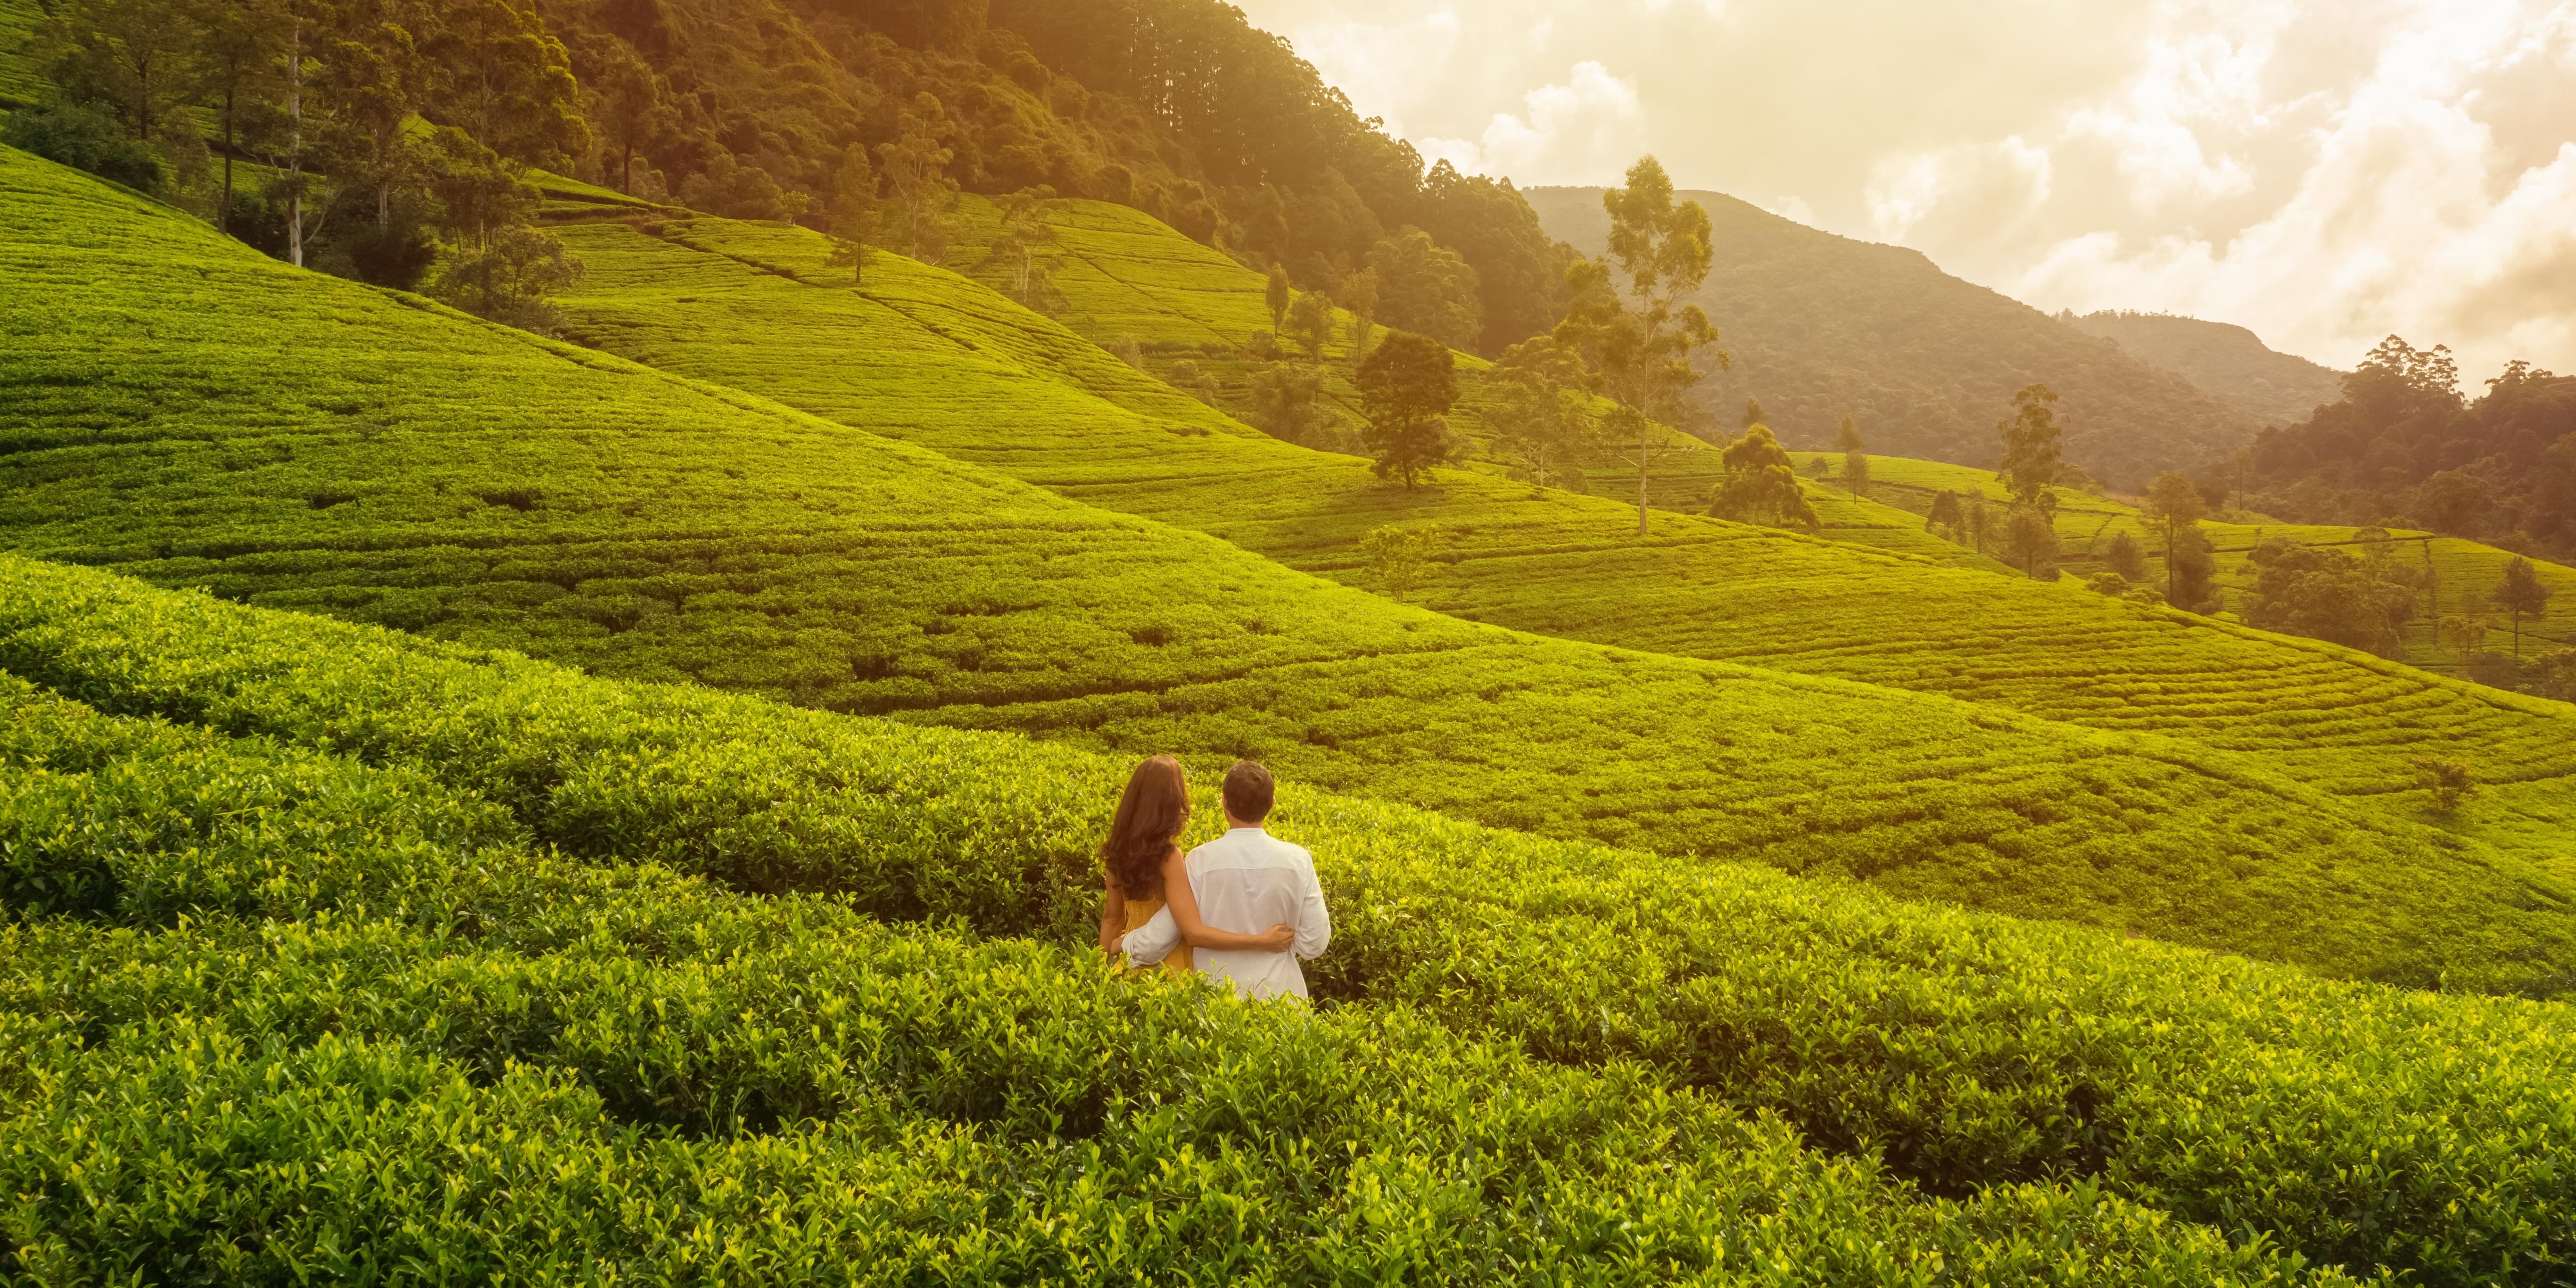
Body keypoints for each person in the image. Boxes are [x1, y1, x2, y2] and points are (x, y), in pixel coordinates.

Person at [1122, 760, 1332, 1001]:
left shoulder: (1199, 860)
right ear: (1272, 804)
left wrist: (1124, 945)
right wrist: (1275, 944)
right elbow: (1314, 944)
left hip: (1216, 1002)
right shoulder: (1299, 860)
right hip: (1282, 999)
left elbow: (1161, 937)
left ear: (1224, 802)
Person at [1097, 755, 1293, 978]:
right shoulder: (1169, 858)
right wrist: (1261, 941)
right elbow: (1194, 932)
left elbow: (1112, 919)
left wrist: (1101, 969)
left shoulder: (1116, 851)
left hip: (1128, 962)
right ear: (1173, 801)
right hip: (1168, 966)